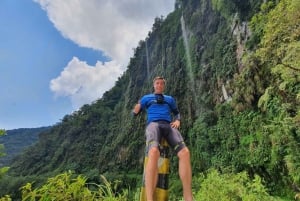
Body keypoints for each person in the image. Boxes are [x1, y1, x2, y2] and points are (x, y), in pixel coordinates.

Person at [132, 76, 193, 201]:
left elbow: (176, 112)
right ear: (154, 85)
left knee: (185, 153)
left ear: (164, 86)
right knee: (154, 152)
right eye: (157, 83)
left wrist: (177, 120)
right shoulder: (146, 98)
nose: (159, 85)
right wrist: (135, 109)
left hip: (168, 125)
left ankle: (188, 197)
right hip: (153, 125)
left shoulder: (169, 99)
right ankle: (150, 199)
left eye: (161, 84)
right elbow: (134, 113)